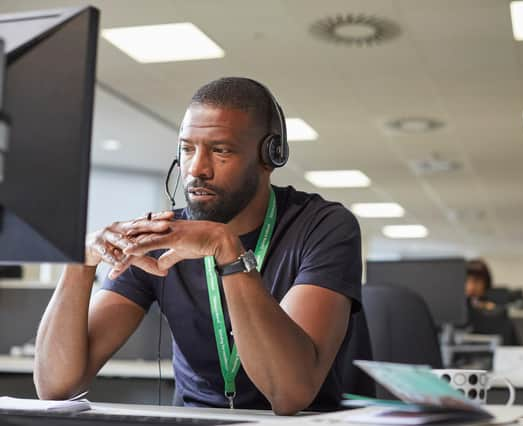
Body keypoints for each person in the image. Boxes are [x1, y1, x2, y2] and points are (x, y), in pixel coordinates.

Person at [34, 77, 362, 415]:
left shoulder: (322, 227)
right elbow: (56, 386)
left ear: (270, 156)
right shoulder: (162, 236)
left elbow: (290, 394)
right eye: (187, 149)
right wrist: (80, 263)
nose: (196, 169)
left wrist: (228, 251)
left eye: (221, 150)